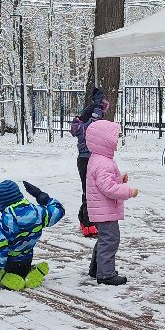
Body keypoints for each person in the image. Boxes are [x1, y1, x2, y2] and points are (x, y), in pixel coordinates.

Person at [0, 180, 65, 290]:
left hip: (9, 265)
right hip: (26, 260)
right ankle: (31, 273)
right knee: (24, 267)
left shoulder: (4, 224)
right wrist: (41, 195)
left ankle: (4, 278)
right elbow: (58, 210)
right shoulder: (38, 212)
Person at [82, 118, 137, 285]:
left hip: (101, 209)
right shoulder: (103, 164)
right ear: (105, 142)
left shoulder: (98, 159)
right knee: (111, 239)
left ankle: (96, 268)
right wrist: (128, 191)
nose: (117, 144)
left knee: (105, 239)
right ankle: (106, 274)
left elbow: (104, 183)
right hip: (104, 210)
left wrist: (119, 179)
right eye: (114, 141)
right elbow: (108, 189)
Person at [70, 87, 108, 237]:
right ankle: (88, 223)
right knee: (91, 192)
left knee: (89, 190)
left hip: (84, 160)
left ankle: (85, 219)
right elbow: (95, 121)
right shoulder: (88, 128)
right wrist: (97, 106)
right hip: (89, 160)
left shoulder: (80, 128)